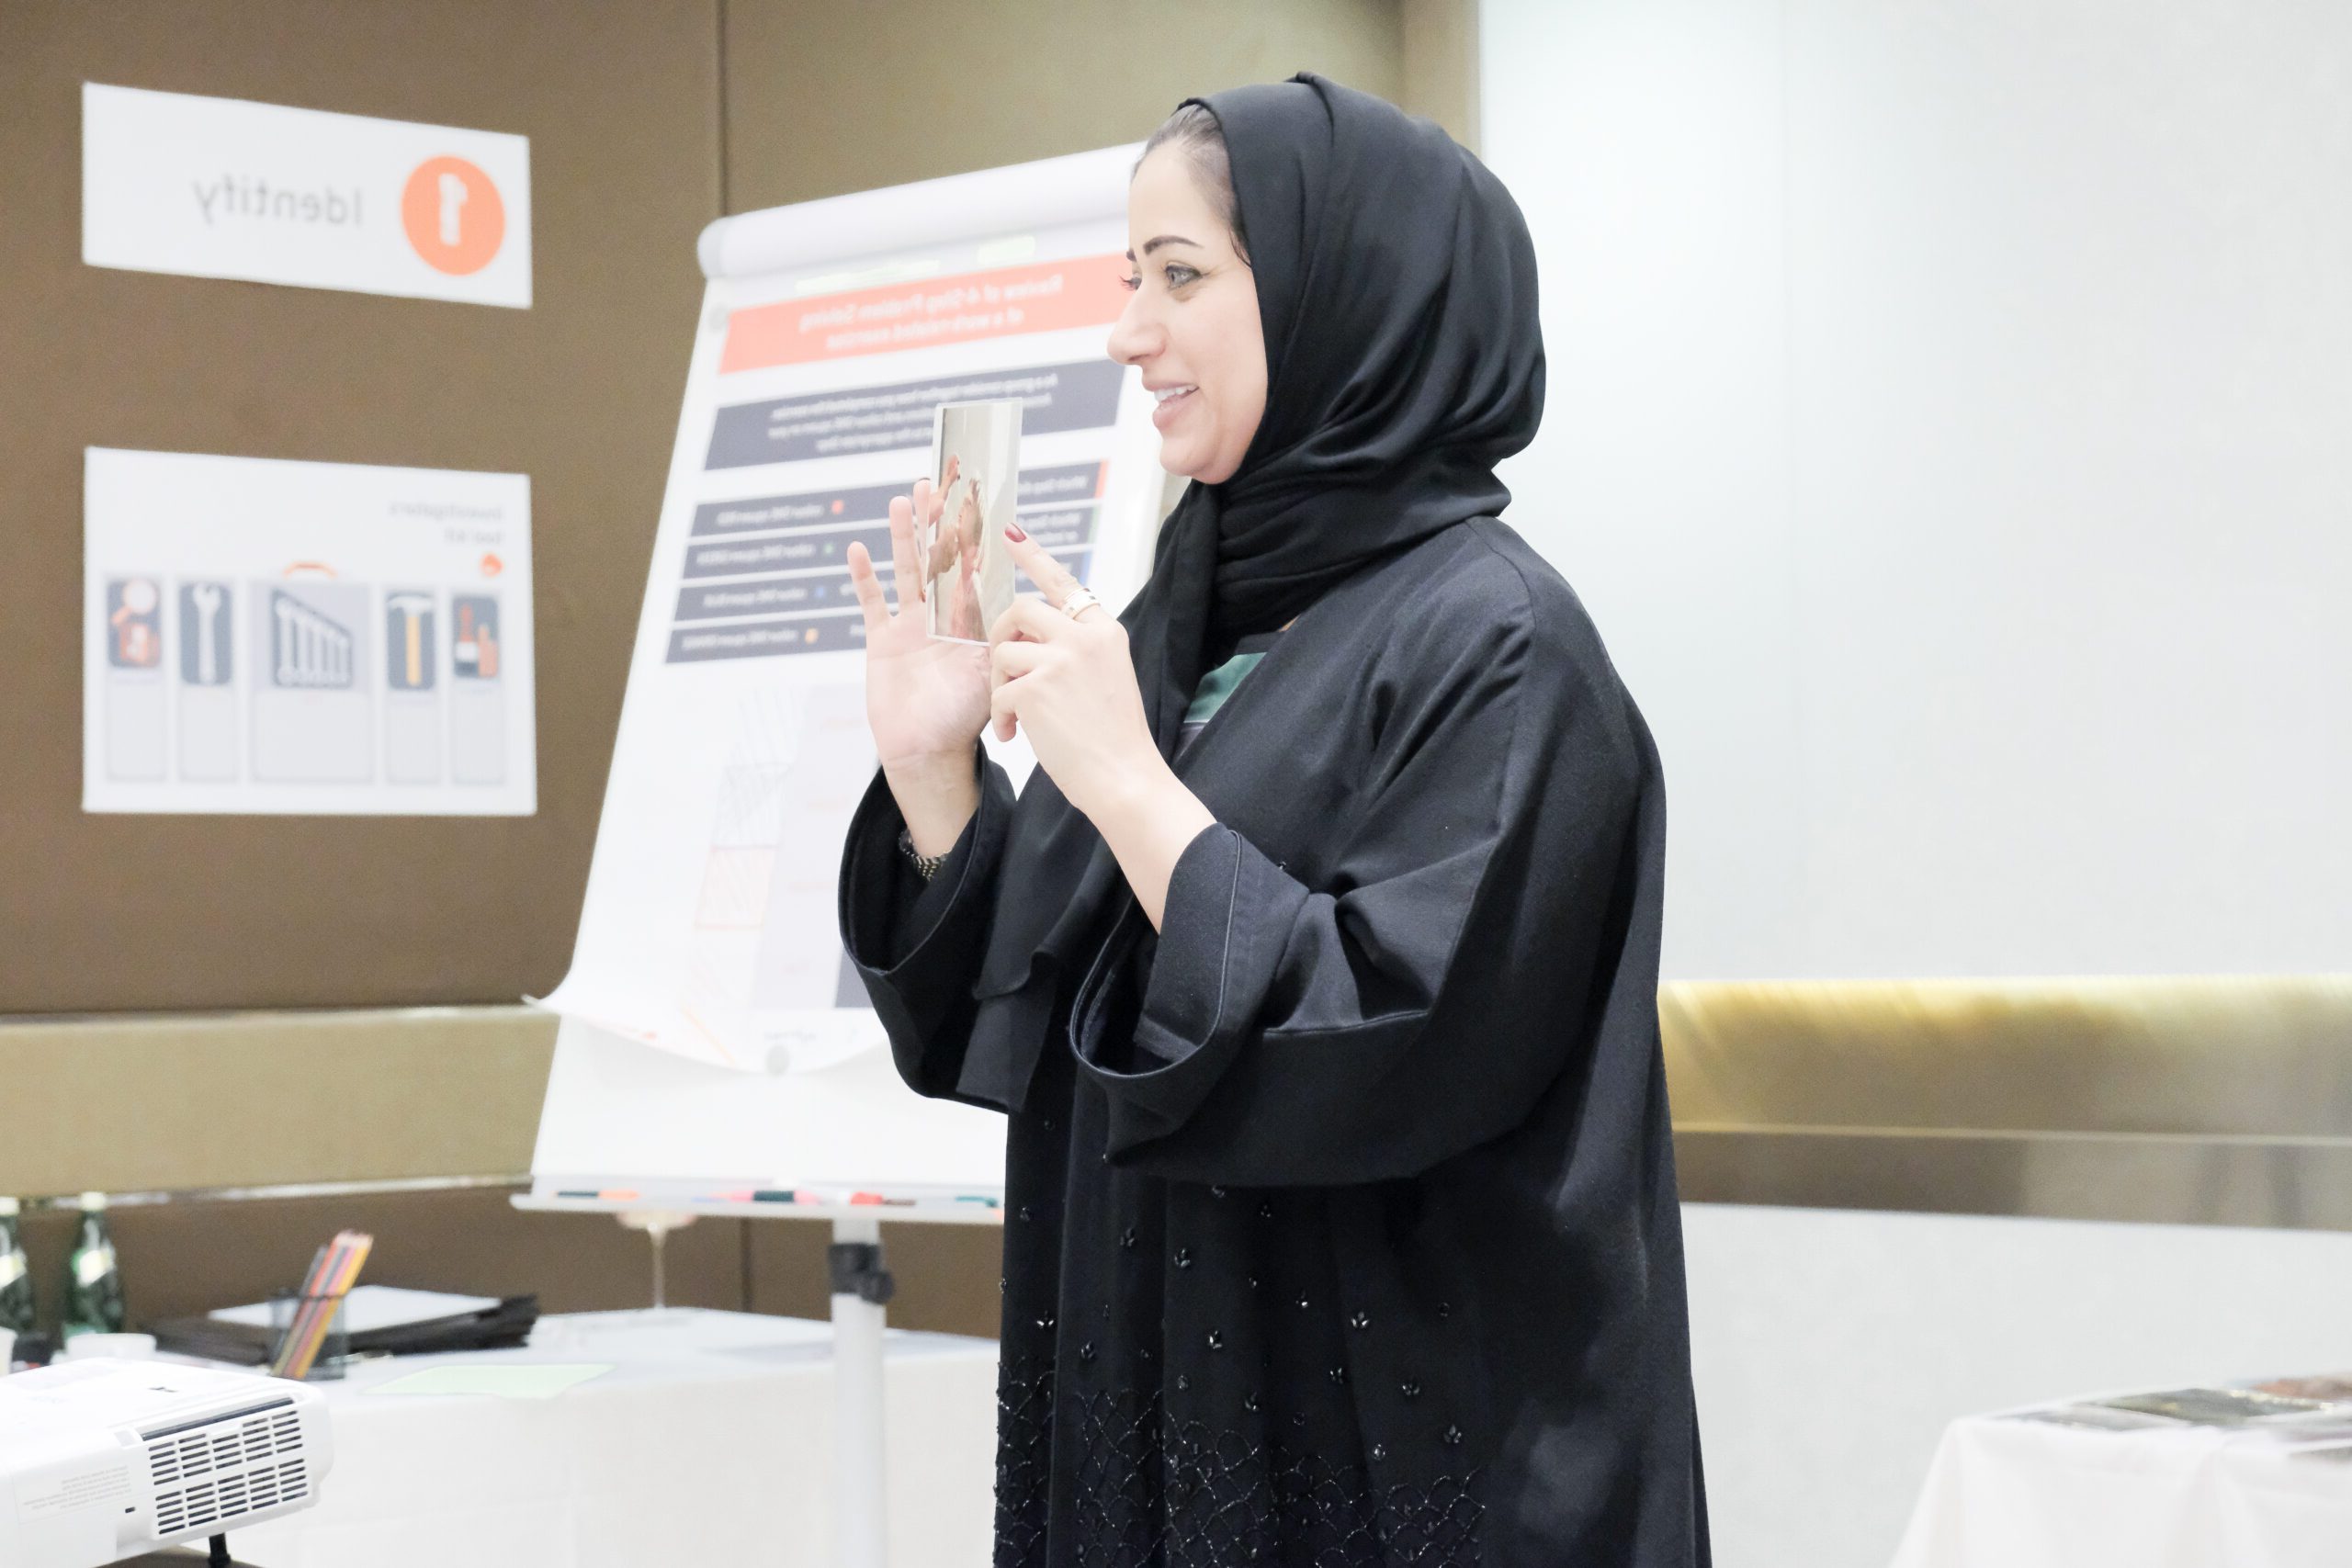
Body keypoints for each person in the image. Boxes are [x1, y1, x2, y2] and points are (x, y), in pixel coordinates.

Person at [839, 73, 1709, 1568]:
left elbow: (1397, 1037)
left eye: (1181, 278)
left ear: (1341, 295)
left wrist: (1126, 785)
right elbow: (1041, 1017)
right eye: (1130, 282)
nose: (1128, 335)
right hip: (1159, 1420)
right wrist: (936, 776)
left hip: (1407, 1463)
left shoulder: (1499, 645)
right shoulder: (1184, 621)